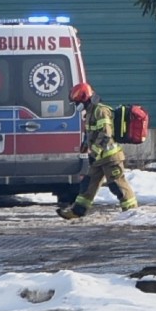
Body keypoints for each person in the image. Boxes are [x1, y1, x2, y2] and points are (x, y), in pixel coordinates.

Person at [57, 83, 138, 220]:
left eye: (77, 102)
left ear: (85, 99)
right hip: (99, 158)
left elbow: (105, 134)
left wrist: (94, 152)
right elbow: (91, 132)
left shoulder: (101, 111)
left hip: (110, 157)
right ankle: (77, 211)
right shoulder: (90, 112)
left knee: (117, 185)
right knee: (87, 185)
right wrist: (84, 144)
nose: (76, 105)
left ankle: (131, 212)